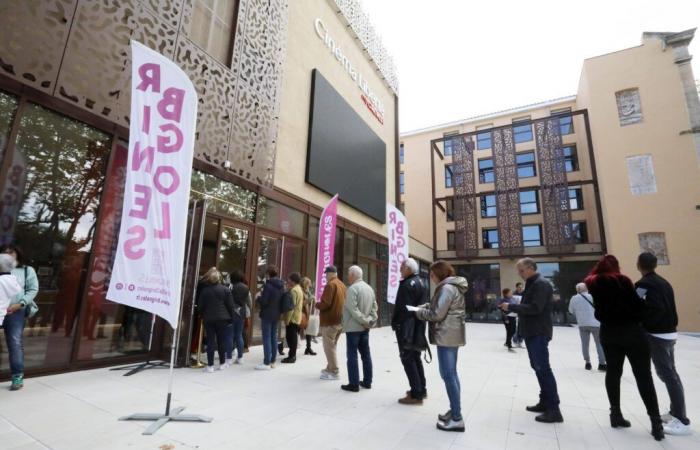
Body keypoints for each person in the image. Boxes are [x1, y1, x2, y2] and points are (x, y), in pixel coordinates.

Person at [585, 255, 664, 441]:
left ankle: (615, 414)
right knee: (643, 376)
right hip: (631, 332)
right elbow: (636, 307)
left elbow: (599, 311)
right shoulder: (624, 281)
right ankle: (656, 422)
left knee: (613, 373)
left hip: (609, 333)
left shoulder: (593, 284)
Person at [500, 258, 563, 424]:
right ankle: (545, 402)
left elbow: (536, 308)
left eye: (521, 270)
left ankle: (554, 409)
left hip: (538, 332)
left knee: (543, 368)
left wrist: (511, 307)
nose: (519, 274)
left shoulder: (540, 284)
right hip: (532, 332)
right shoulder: (532, 284)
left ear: (530, 268)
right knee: (538, 367)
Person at [636, 252, 691, 436]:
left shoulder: (643, 284)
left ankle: (682, 420)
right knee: (670, 373)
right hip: (669, 332)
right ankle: (675, 411)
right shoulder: (664, 282)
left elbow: (636, 304)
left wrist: (643, 324)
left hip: (657, 334)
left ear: (639, 265)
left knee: (668, 375)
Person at [415, 261, 468, 432]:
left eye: (431, 274)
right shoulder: (451, 286)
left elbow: (437, 314)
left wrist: (418, 313)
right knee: (451, 374)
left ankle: (457, 419)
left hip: (447, 335)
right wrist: (426, 306)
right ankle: (455, 410)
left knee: (448, 375)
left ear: (439, 273)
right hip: (450, 334)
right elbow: (441, 307)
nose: (430, 277)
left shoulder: (446, 288)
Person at [1, 245, 39, 391]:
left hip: (16, 311)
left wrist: (19, 304)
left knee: (14, 342)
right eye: (4, 252)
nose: (7, 254)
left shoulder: (26, 270)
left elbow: (33, 289)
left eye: (11, 252)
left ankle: (17, 375)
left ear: (17, 254)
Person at [392, 258, 428, 405]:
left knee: (408, 358)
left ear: (408, 269)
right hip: (417, 324)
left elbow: (403, 309)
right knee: (415, 357)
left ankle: (416, 394)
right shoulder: (421, 282)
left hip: (407, 327)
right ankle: (421, 389)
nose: (400, 269)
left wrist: (397, 325)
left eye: (402, 267)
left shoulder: (407, 284)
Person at [340, 266, 378, 392]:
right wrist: (369, 321)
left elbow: (353, 309)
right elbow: (374, 309)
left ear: (353, 275)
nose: (347, 276)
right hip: (365, 328)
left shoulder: (352, 289)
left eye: (348, 274)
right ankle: (367, 381)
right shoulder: (369, 288)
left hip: (353, 328)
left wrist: (364, 321)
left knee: (352, 355)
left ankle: (354, 383)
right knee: (366, 355)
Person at [196, 267, 235, 373]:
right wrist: (232, 318)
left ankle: (210, 366)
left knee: (210, 341)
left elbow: (200, 306)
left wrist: (202, 314)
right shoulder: (226, 290)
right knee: (221, 340)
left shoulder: (205, 291)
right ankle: (222, 363)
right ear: (219, 279)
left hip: (209, 318)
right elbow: (230, 306)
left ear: (210, 280)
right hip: (223, 319)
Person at [317, 266, 346, 381]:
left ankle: (334, 371)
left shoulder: (330, 285)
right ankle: (330, 367)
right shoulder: (342, 285)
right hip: (339, 320)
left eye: (326, 274)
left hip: (330, 321)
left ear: (330, 274)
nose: (325, 276)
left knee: (329, 347)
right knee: (332, 346)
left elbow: (326, 304)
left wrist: (317, 304)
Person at [568, 283, 606, 371]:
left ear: (577, 290)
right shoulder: (593, 296)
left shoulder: (574, 298)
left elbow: (570, 311)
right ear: (586, 289)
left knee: (585, 344)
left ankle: (587, 363)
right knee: (599, 344)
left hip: (582, 324)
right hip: (596, 324)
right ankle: (602, 364)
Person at [256, 266, 284, 371]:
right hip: (276, 314)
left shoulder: (268, 285)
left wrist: (258, 297)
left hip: (267, 314)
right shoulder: (281, 285)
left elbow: (264, 302)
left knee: (267, 338)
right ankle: (272, 361)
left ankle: (266, 362)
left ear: (268, 274)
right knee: (273, 337)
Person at [229, 269, 250, 365]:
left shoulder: (231, 286)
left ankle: (229, 356)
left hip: (231, 312)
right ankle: (240, 357)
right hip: (241, 312)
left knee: (230, 335)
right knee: (239, 335)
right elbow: (247, 301)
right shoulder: (246, 287)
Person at [282, 272, 304, 364]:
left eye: (289, 279)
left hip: (293, 317)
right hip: (297, 316)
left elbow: (291, 307)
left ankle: (292, 356)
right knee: (292, 336)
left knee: (291, 337)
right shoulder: (298, 289)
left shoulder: (294, 291)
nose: (288, 281)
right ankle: (292, 355)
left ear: (293, 281)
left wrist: (287, 320)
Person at [300, 277, 317, 355]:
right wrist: (310, 299)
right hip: (300, 314)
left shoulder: (307, 291)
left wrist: (313, 299)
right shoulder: (300, 291)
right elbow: (301, 304)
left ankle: (308, 348)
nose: (310, 285)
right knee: (294, 332)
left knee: (308, 331)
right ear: (305, 284)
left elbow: (311, 299)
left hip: (306, 314)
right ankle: (281, 346)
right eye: (309, 283)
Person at [512, 282, 525, 348]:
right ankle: (515, 341)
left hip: (523, 312)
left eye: (521, 287)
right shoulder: (514, 294)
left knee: (522, 327)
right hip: (516, 312)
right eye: (519, 287)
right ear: (516, 287)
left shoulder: (525, 293)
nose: (520, 288)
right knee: (516, 328)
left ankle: (520, 341)